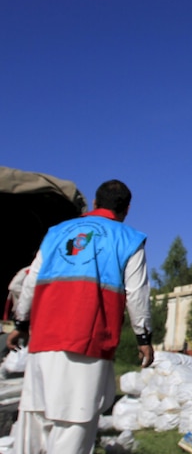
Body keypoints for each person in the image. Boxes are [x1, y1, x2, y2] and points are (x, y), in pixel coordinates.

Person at [6, 179, 153, 454]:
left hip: (43, 342)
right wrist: (143, 337)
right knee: (74, 425)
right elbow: (137, 294)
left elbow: (31, 281)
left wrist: (21, 323)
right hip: (88, 343)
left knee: (34, 423)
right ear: (127, 209)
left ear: (95, 203)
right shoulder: (129, 239)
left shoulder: (56, 233)